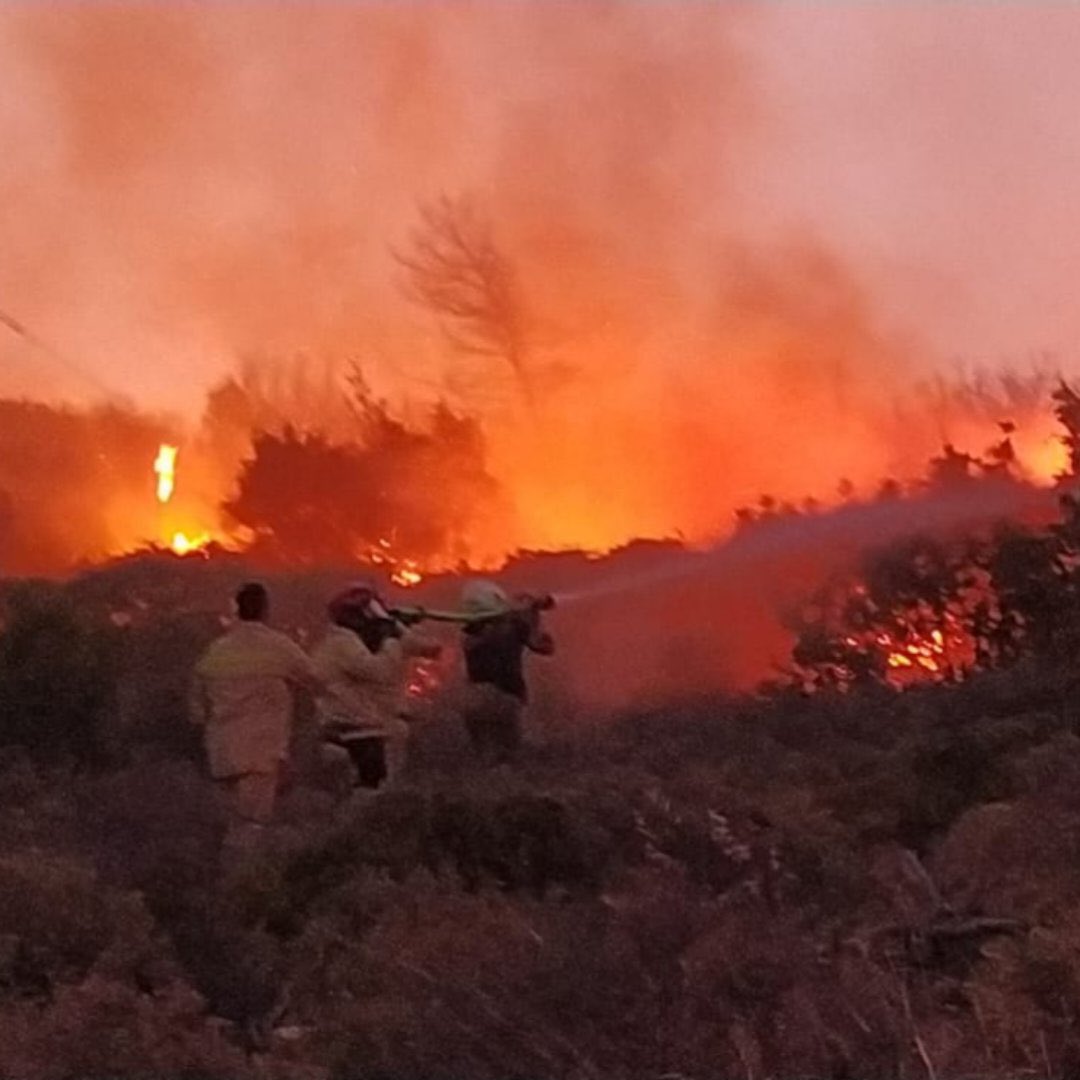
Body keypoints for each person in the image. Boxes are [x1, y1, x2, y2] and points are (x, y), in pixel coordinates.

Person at [189, 582, 320, 828]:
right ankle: (249, 866)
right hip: (260, 753)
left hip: (222, 754)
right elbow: (315, 679)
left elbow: (196, 709)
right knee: (253, 826)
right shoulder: (278, 646)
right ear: (265, 610)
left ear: (236, 610)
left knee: (227, 825)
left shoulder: (216, 650)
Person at [311, 582, 441, 791]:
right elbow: (379, 672)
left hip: (369, 726)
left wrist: (401, 628)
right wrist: (391, 637)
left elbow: (431, 649)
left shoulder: (357, 642)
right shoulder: (342, 643)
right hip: (354, 730)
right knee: (372, 790)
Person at [458, 579, 554, 764]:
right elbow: (545, 647)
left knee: (486, 758)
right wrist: (532, 617)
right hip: (507, 698)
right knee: (512, 756)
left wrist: (528, 615)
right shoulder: (513, 626)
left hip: (475, 701)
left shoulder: (470, 632)